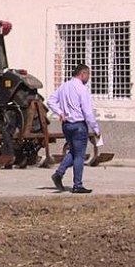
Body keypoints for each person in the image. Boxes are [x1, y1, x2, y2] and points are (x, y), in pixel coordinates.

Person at [47, 64, 100, 193]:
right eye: (88, 75)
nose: (88, 78)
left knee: (73, 152)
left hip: (67, 125)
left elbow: (51, 101)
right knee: (79, 156)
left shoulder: (64, 86)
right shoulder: (82, 89)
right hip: (78, 125)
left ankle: (59, 174)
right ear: (82, 74)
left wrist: (60, 113)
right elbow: (87, 112)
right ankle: (77, 185)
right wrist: (96, 129)